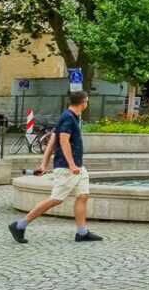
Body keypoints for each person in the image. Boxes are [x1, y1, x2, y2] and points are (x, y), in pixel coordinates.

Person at [9, 90, 103, 243]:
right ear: (83, 103)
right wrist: (71, 164)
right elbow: (63, 142)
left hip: (77, 166)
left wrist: (43, 164)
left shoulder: (70, 117)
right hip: (68, 167)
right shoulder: (67, 118)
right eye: (87, 101)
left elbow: (52, 142)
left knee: (83, 195)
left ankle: (82, 232)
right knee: (56, 199)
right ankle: (20, 225)